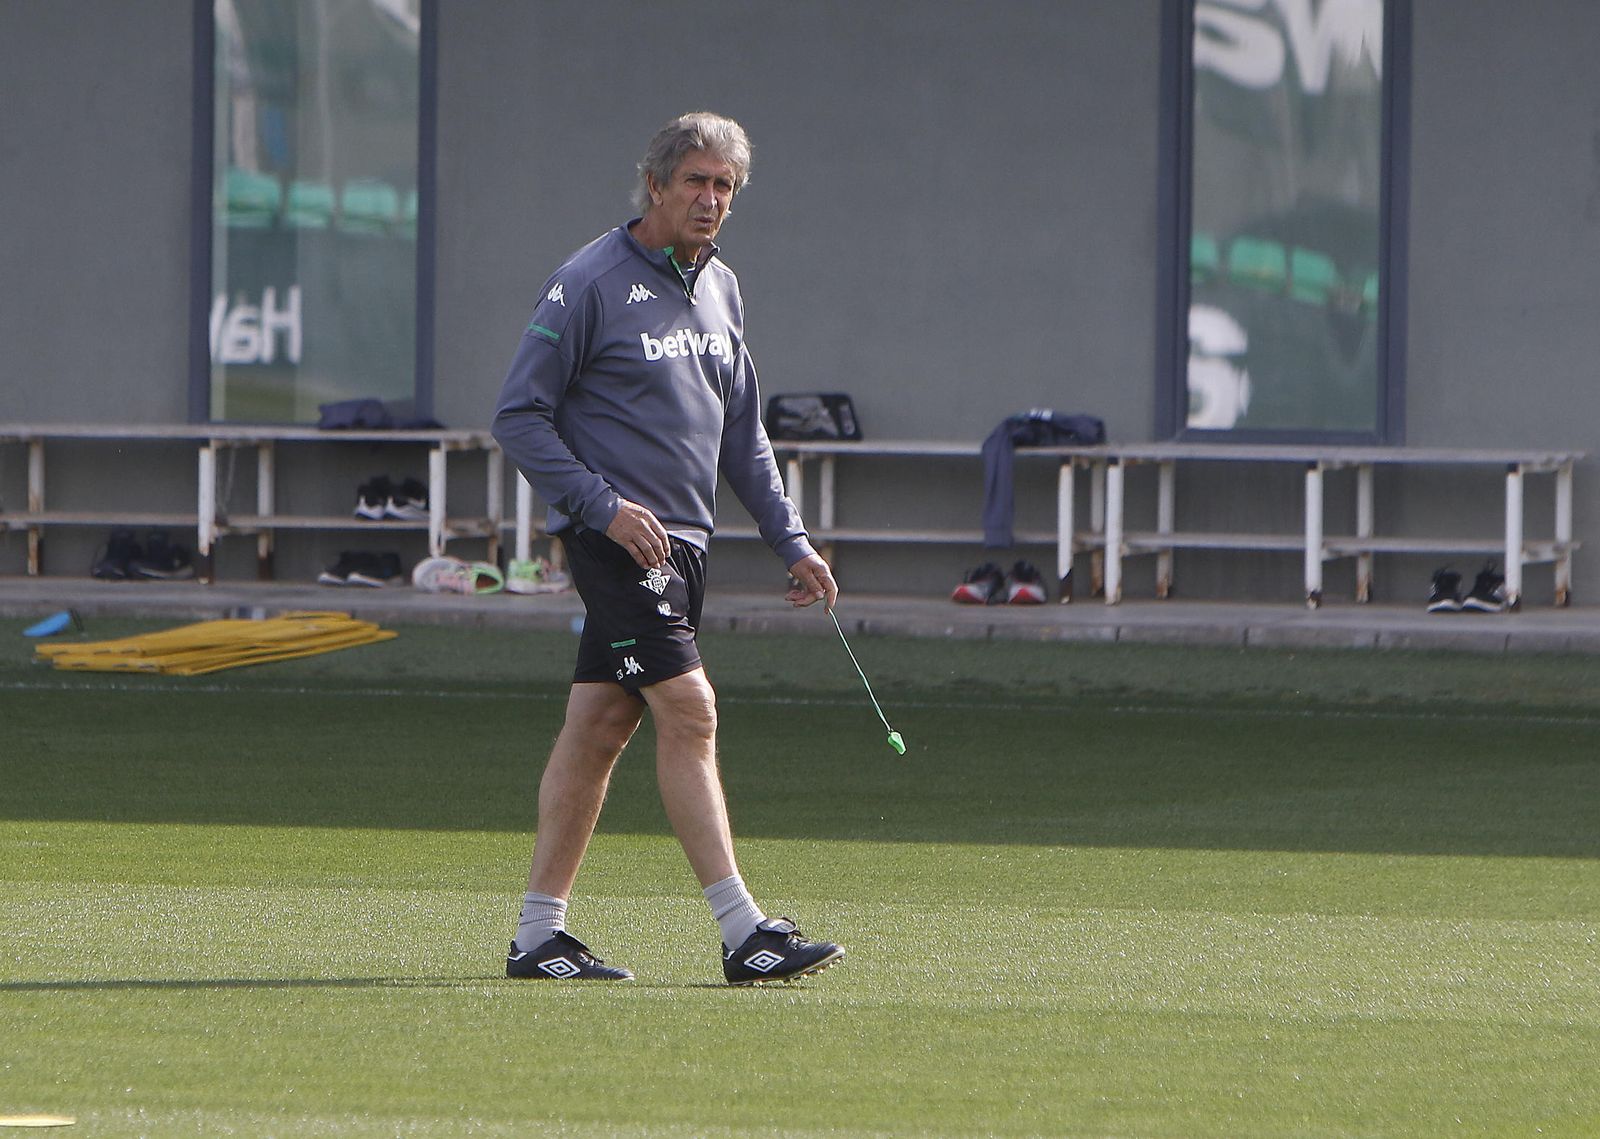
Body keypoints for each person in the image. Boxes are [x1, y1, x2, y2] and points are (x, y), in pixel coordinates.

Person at [490, 112, 844, 985]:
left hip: (686, 546)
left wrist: (789, 539)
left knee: (601, 724)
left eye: (725, 186)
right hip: (620, 541)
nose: (712, 200)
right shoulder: (588, 282)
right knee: (691, 712)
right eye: (697, 181)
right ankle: (744, 931)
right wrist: (601, 508)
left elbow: (741, 434)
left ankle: (538, 936)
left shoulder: (721, 287)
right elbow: (518, 416)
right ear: (655, 185)